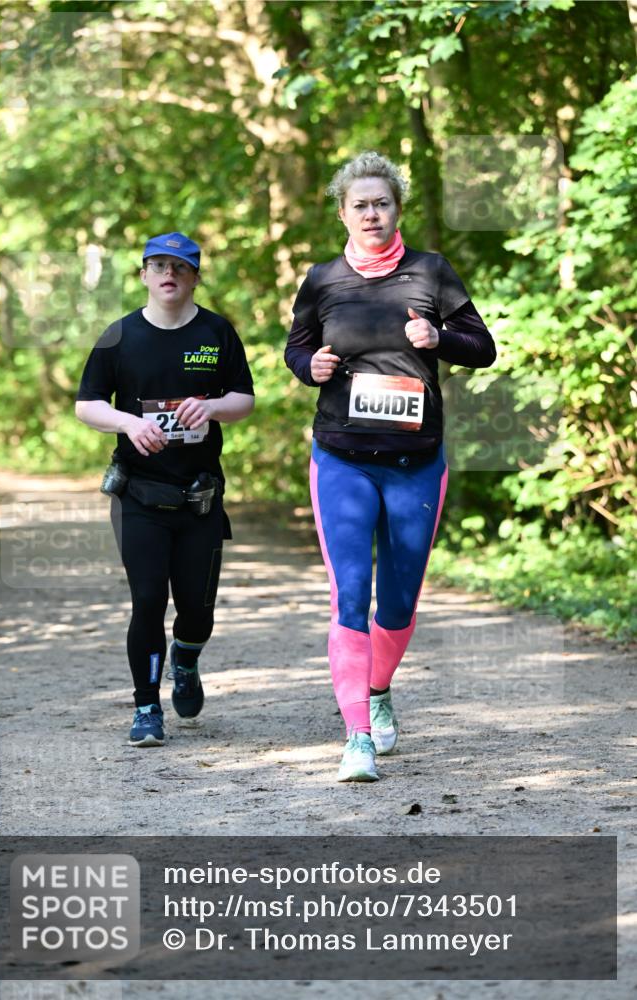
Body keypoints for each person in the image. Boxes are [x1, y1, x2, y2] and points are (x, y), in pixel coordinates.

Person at [285, 152, 496, 782]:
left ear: (396, 208)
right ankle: (357, 737)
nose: (371, 213)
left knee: (399, 602)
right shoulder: (323, 280)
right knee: (350, 595)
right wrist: (309, 369)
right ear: (342, 212)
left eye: (382, 203)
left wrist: (440, 340)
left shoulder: (431, 272)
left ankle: (377, 691)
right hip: (343, 458)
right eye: (360, 204)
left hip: (415, 462)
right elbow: (297, 348)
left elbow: (482, 347)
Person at [76, 232, 254, 747]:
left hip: (199, 496)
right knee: (149, 600)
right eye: (157, 265)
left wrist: (214, 407)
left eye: (179, 266)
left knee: (196, 610)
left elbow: (244, 398)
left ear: (195, 276)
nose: (168, 274)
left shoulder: (217, 332)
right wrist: (129, 424)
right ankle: (146, 707)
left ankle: (188, 659)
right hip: (139, 494)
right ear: (143, 276)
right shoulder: (119, 336)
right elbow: (87, 405)